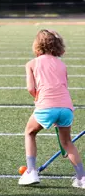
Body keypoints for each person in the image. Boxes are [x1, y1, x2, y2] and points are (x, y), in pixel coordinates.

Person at [19, 29, 84, 188]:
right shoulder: (62, 64)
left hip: (46, 105)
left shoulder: (32, 63)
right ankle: (82, 178)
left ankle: (31, 171)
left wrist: (37, 98)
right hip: (66, 107)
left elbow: (30, 88)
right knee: (68, 143)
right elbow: (64, 86)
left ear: (37, 45)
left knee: (30, 132)